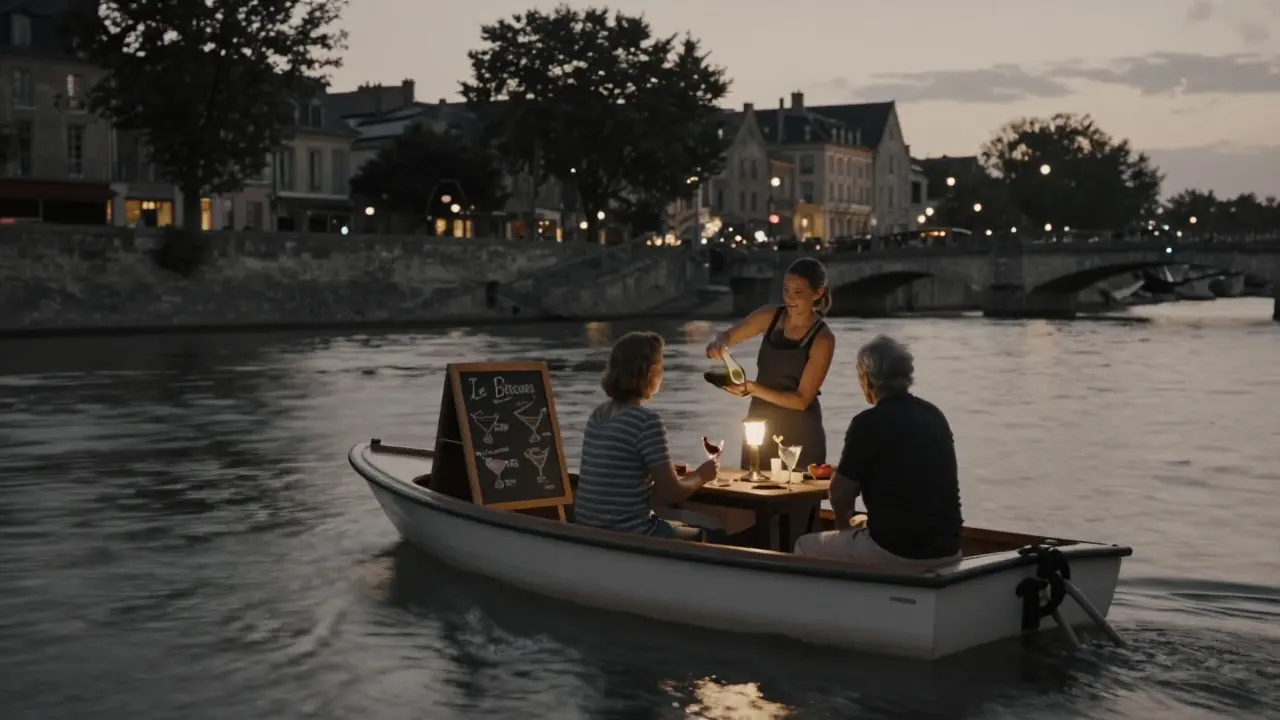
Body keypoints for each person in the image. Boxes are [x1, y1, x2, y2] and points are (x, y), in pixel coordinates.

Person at [793, 336, 964, 570]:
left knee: (804, 545)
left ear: (867, 379)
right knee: (862, 523)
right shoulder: (933, 414)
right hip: (949, 548)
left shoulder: (867, 422)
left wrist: (843, 528)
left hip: (899, 551)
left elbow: (840, 493)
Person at [575, 331, 723, 542]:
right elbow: (671, 493)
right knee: (716, 534)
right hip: (630, 533)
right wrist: (702, 475)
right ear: (652, 370)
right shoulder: (645, 421)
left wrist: (660, 472)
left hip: (589, 530)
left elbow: (617, 479)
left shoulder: (598, 415)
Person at [705, 257, 836, 473]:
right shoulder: (769, 316)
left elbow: (801, 401)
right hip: (759, 424)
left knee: (797, 490)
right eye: (786, 290)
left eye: (798, 292)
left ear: (818, 293)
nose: (789, 298)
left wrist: (752, 388)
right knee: (752, 485)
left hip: (800, 432)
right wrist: (719, 344)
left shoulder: (823, 339)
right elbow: (728, 335)